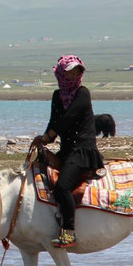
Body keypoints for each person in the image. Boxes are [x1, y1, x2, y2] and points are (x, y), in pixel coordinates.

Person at [30, 55, 104, 248]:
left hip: (83, 151)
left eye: (77, 70)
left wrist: (47, 137)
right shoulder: (57, 95)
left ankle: (70, 232)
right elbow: (54, 121)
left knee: (63, 186)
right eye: (70, 71)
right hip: (67, 150)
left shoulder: (83, 93)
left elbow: (68, 119)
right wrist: (45, 138)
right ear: (61, 74)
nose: (73, 74)